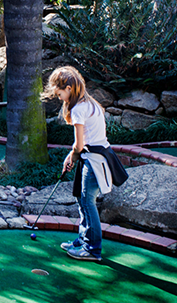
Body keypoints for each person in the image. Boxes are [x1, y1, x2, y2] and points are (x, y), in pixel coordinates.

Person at [46, 66, 128, 262]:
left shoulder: (78, 109)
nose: (60, 98)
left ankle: (92, 248)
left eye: (60, 94)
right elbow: (84, 143)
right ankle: (84, 239)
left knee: (88, 203)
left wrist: (72, 156)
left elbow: (80, 144)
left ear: (68, 88)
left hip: (93, 160)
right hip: (94, 157)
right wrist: (72, 156)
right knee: (82, 200)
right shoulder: (91, 104)